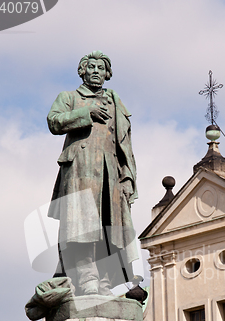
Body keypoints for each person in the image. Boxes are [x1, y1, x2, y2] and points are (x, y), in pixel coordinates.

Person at [47, 51, 138, 296]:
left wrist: (128, 176)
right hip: (80, 169)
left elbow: (125, 143)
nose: (96, 71)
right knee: (82, 226)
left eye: (101, 68)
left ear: (107, 74)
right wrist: (86, 115)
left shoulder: (115, 101)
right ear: (82, 71)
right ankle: (88, 277)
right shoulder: (69, 97)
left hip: (110, 171)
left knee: (110, 227)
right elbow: (54, 121)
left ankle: (106, 281)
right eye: (92, 67)